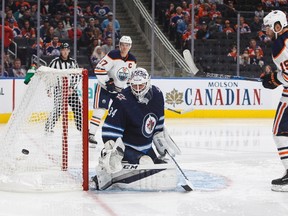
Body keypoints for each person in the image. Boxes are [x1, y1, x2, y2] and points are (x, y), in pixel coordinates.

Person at [92, 68, 181, 190]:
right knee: (146, 162)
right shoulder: (122, 100)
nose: (138, 89)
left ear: (148, 82)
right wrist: (113, 151)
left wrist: (161, 142)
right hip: (127, 147)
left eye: (141, 85)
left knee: (163, 166)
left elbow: (157, 126)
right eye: (135, 86)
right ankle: (109, 174)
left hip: (146, 147)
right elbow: (109, 132)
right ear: (130, 83)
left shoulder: (158, 95)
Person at [88, 36, 137, 145]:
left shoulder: (132, 60)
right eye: (123, 44)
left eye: (127, 45)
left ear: (130, 46)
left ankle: (124, 136)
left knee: (122, 112)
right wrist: (108, 82)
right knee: (100, 111)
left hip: (118, 90)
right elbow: (99, 69)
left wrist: (130, 90)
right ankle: (90, 134)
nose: (125, 47)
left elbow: (129, 77)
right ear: (119, 45)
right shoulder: (113, 55)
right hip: (104, 88)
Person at [262, 10, 288, 192]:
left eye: (269, 28)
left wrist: (273, 80)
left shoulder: (280, 45)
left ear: (278, 26)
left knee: (279, 132)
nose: (267, 32)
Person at [45, 43, 82, 132]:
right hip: (59, 90)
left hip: (71, 90)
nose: (65, 52)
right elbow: (48, 75)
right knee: (58, 109)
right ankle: (48, 126)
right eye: (63, 50)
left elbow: (77, 76)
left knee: (78, 108)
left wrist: (72, 88)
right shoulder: (55, 62)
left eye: (66, 50)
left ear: (69, 51)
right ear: (60, 51)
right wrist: (49, 89)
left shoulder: (73, 62)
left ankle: (81, 128)